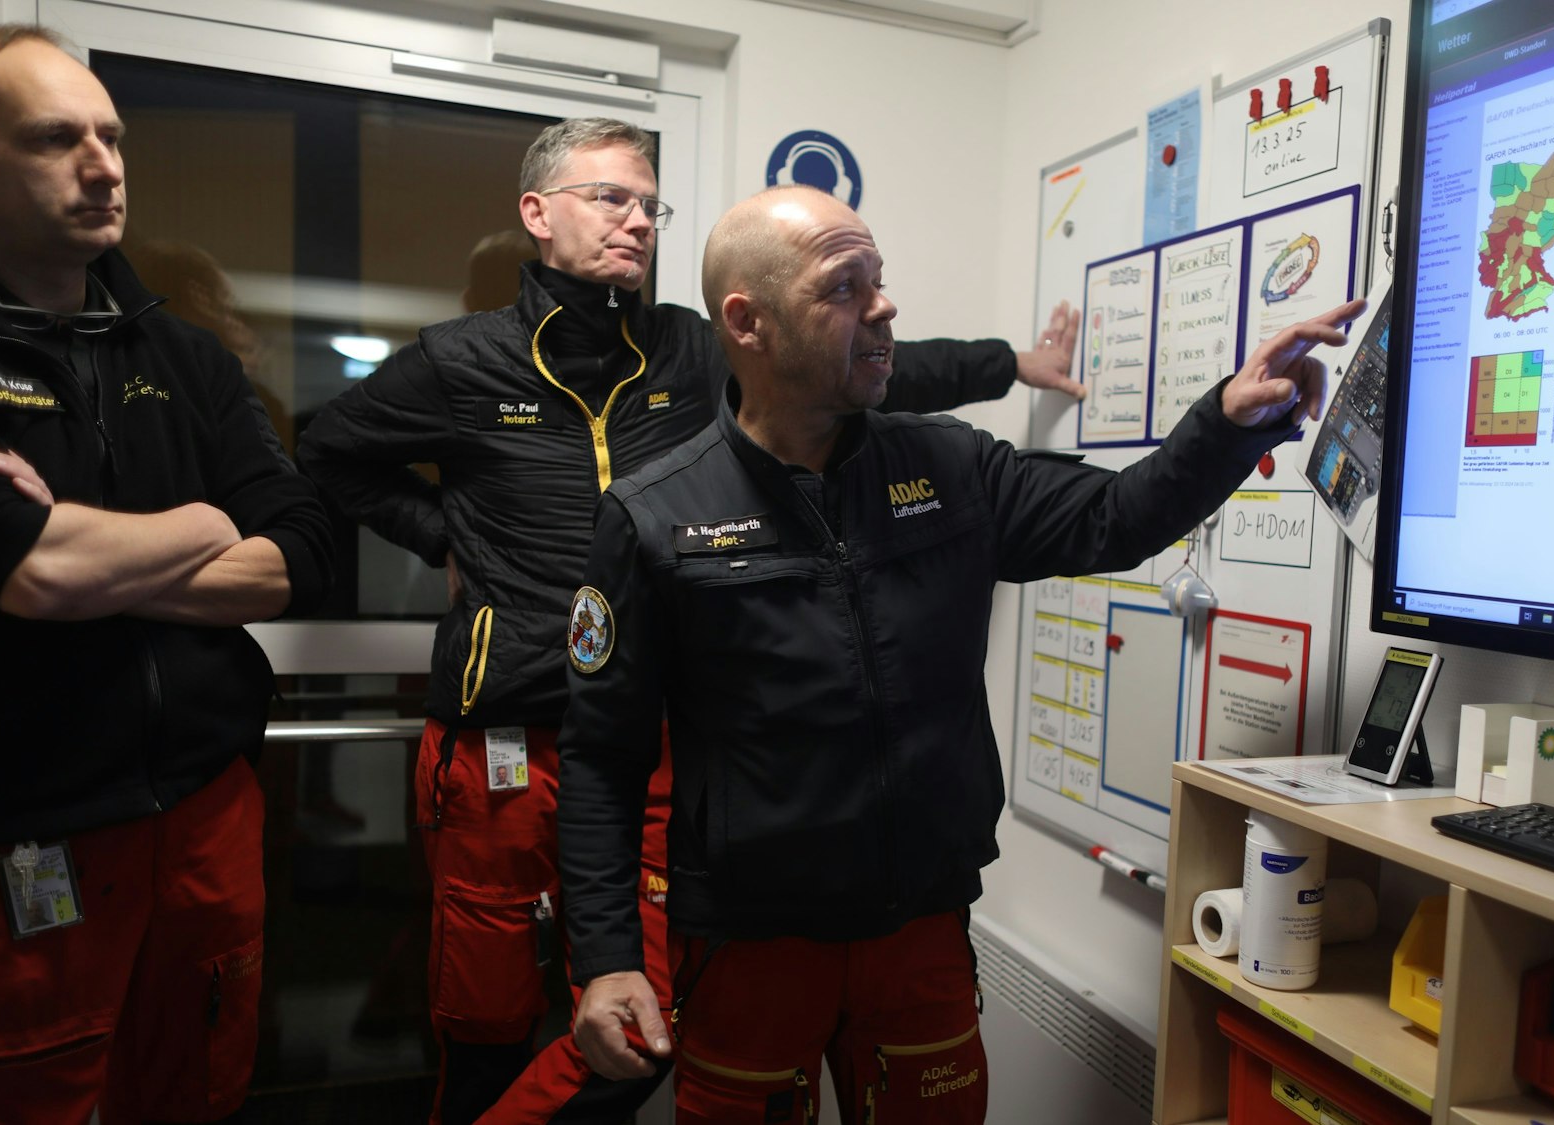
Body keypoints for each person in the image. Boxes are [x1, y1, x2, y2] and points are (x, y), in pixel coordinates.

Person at [296, 116, 1084, 1125]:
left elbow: (860, 357)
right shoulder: (462, 362)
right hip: (503, 730)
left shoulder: (683, 346)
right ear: (537, 214)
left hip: (648, 741)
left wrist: (1010, 361)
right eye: (608, 198)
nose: (634, 220)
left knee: (646, 1014)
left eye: (648, 204)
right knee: (483, 1017)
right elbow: (328, 448)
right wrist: (447, 538)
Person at [557, 184, 1361, 1123]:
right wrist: (608, 956)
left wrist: (1230, 419)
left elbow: (1116, 518)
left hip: (921, 928)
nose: (884, 306)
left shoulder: (950, 468)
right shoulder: (656, 515)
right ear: (750, 322)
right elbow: (602, 758)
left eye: (881, 280)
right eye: (846, 286)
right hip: (749, 943)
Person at [0, 23, 333, 1125]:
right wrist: (202, 521)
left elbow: (300, 555)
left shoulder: (182, 358)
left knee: (195, 1089)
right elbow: (25, 570)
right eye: (57, 138)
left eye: (112, 134)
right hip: (14, 827)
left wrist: (90, 554)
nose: (104, 165)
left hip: (200, 815)